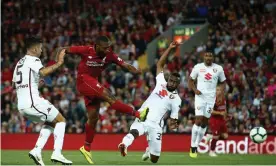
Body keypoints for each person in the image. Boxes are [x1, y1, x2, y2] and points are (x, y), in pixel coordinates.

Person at [58, 35, 149, 164]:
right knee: (110, 97)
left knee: (93, 117)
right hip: (83, 80)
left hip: (93, 83)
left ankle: (86, 147)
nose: (108, 50)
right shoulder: (86, 50)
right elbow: (63, 49)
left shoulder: (109, 55)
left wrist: (136, 71)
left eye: (109, 48)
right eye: (105, 48)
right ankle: (138, 114)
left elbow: (124, 64)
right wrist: (59, 61)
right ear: (97, 46)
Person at [118, 41, 182, 163]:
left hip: (156, 125)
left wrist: (173, 124)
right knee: (135, 131)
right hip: (143, 115)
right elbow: (160, 64)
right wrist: (169, 48)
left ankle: (149, 150)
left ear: (178, 84)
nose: (172, 83)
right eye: (171, 80)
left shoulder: (176, 100)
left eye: (175, 82)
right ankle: (124, 145)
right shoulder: (161, 83)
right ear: (168, 79)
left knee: (154, 159)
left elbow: (174, 118)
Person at [12, 37, 72, 165]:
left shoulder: (19, 63)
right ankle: (57, 153)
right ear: (34, 49)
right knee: (61, 120)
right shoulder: (33, 59)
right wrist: (59, 62)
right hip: (33, 102)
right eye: (40, 48)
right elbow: (43, 72)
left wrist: (34, 83)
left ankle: (37, 150)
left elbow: (15, 85)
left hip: (22, 105)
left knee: (51, 121)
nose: (41, 50)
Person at [188, 52, 226, 158]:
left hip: (211, 99)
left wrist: (220, 94)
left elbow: (223, 82)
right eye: (206, 56)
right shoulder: (198, 67)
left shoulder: (218, 68)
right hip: (200, 98)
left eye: (210, 56)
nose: (208, 58)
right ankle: (192, 146)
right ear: (203, 57)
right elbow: (190, 81)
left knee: (204, 123)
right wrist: (195, 90)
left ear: (213, 58)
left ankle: (196, 144)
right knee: (198, 120)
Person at [204, 86, 229, 157]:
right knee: (216, 136)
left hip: (221, 120)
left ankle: (210, 136)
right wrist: (220, 113)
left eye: (219, 90)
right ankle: (211, 151)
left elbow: (224, 109)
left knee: (225, 136)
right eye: (217, 90)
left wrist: (225, 116)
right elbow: (210, 111)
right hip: (214, 120)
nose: (218, 91)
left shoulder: (223, 99)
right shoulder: (212, 100)